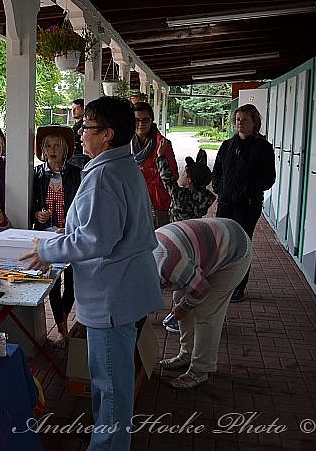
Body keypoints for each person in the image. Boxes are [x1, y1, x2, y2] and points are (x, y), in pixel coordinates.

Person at [20, 97, 163, 451]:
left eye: (87, 127)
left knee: (111, 385)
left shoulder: (105, 175)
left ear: (108, 134)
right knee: (108, 380)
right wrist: (62, 238)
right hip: (121, 289)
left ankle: (109, 443)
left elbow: (95, 239)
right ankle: (107, 435)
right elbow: (95, 228)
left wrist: (47, 251)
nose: (80, 133)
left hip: (112, 296)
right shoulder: (119, 165)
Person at [154, 218, 253, 388]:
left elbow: (201, 289)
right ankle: (186, 354)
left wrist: (184, 307)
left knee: (206, 312)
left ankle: (200, 369)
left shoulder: (169, 264)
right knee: (179, 300)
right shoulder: (142, 260)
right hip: (202, 250)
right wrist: (182, 306)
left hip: (234, 250)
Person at [212, 103, 276, 303]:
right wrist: (220, 188)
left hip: (248, 205)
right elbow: (217, 171)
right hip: (226, 203)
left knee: (242, 245)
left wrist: (248, 191)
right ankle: (222, 284)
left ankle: (239, 287)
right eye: (238, 119)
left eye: (245, 120)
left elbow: (268, 178)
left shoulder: (263, 148)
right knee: (222, 244)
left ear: (255, 122)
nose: (240, 123)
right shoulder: (227, 145)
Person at [156, 141, 217, 334]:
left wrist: (160, 156)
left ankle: (179, 317)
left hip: (179, 242)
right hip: (195, 241)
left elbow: (166, 179)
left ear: (189, 181)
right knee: (190, 277)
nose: (180, 175)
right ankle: (183, 313)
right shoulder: (205, 197)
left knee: (180, 288)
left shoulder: (180, 197)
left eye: (184, 173)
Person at [30, 125, 81, 346]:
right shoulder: (37, 175)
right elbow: (31, 203)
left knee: (71, 284)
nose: (52, 150)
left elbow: (81, 204)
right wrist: (37, 214)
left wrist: (71, 226)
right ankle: (62, 328)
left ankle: (62, 321)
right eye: (48, 146)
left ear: (65, 149)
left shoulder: (75, 174)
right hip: (46, 236)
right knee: (52, 283)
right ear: (42, 150)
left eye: (57, 146)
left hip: (68, 235)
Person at [132, 101, 177, 228]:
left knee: (159, 242)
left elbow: (173, 175)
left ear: (151, 120)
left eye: (145, 120)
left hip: (157, 203)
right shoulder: (125, 144)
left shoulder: (163, 144)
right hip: (134, 202)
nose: (141, 124)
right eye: (137, 120)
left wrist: (141, 173)